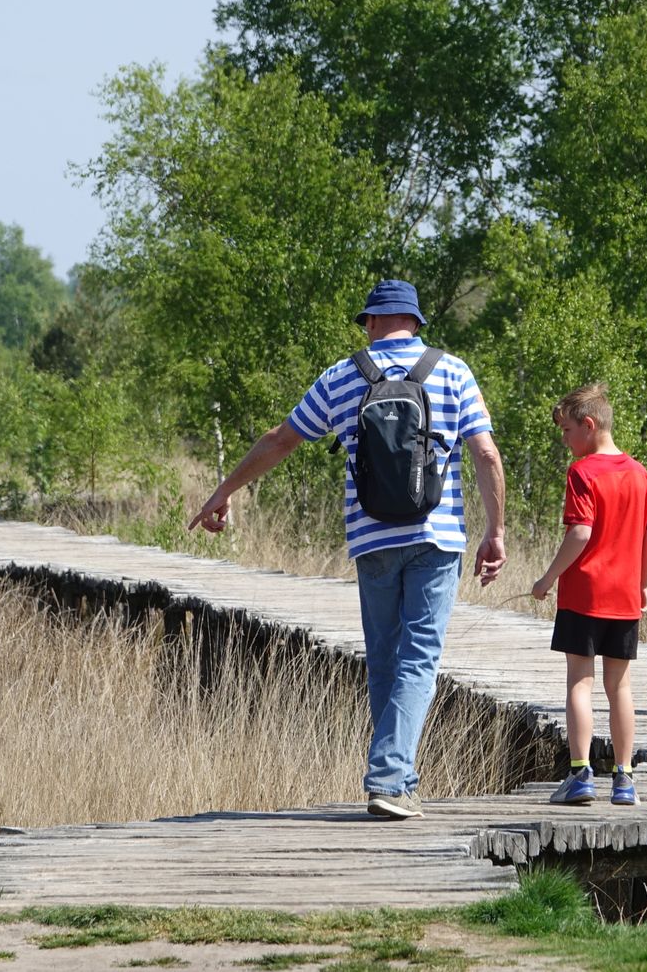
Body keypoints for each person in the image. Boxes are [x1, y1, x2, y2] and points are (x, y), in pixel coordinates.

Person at [187, 279, 507, 821]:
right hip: (437, 538)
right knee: (419, 658)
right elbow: (486, 453)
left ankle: (396, 780)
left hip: (372, 538)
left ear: (372, 322)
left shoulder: (342, 376)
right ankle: (389, 777)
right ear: (416, 322)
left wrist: (225, 489)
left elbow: (281, 439)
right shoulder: (453, 371)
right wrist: (495, 530)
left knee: (384, 660)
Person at [530, 385, 647, 807]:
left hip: (584, 594)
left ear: (589, 425)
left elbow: (580, 532)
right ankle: (624, 780)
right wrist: (642, 583)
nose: (565, 440)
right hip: (624, 596)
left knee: (579, 682)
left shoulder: (582, 472)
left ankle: (580, 775)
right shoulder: (639, 473)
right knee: (620, 686)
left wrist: (548, 578)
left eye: (567, 431)